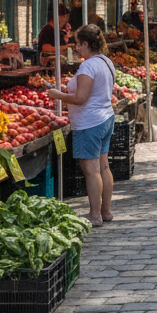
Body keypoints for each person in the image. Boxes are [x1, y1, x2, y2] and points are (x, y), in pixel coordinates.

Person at [47, 24, 115, 226]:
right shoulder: (106, 61)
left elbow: (80, 98)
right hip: (105, 117)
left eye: (78, 44)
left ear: (86, 43)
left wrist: (56, 94)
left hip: (89, 122)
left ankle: (94, 215)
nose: (76, 48)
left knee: (91, 169)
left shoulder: (88, 65)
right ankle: (106, 211)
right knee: (103, 167)